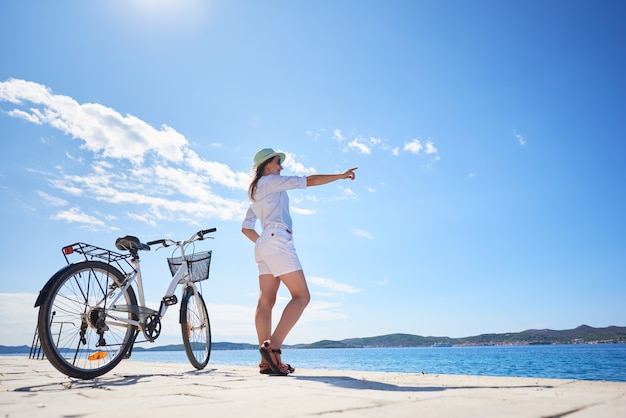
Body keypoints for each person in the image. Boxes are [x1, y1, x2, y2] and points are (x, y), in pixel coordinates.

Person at [241, 148, 357, 375]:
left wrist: (262, 243)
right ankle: (273, 347)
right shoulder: (271, 181)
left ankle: (266, 363)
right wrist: (341, 176)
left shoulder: (256, 191)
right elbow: (309, 180)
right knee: (302, 296)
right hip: (277, 239)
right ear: (267, 165)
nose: (281, 167)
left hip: (264, 243)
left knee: (266, 301)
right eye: (277, 162)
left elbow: (246, 228)